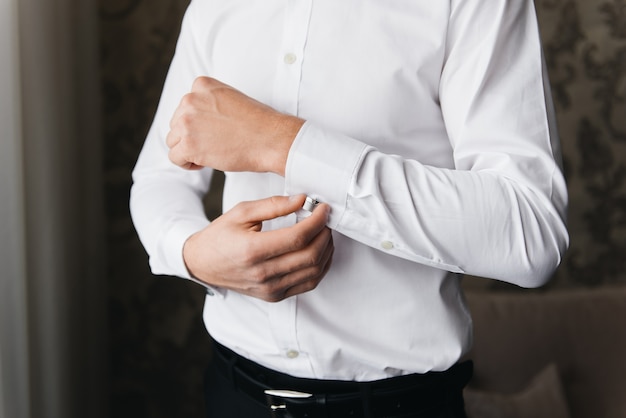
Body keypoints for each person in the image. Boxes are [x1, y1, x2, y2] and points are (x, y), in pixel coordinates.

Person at [130, 0, 569, 416]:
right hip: (232, 393)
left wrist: (283, 144)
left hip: (401, 406)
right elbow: (159, 179)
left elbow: (531, 231)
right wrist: (192, 254)